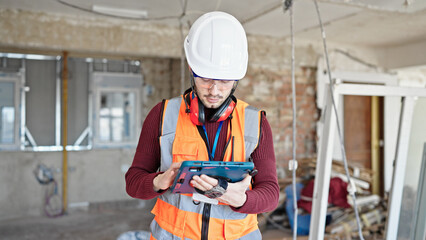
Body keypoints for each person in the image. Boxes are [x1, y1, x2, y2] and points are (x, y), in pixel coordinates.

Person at [125, 11, 279, 240]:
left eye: (225, 81)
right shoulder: (162, 114)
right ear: (191, 69)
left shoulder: (255, 123)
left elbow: (271, 194)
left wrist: (241, 199)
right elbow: (133, 182)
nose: (214, 90)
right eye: (205, 78)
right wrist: (160, 180)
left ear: (236, 79)